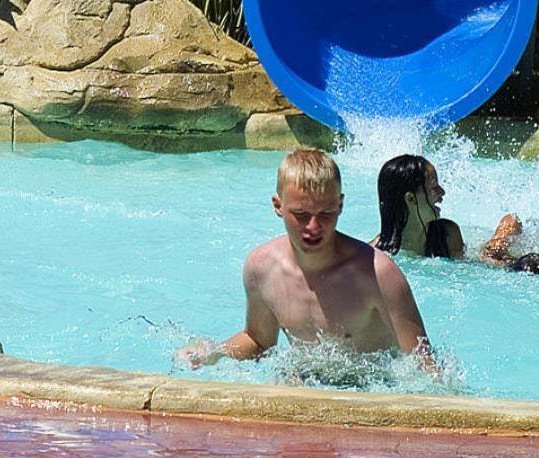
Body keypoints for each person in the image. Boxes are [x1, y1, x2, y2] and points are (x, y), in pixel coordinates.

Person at [177, 149, 436, 373]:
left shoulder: (377, 274)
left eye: (325, 213)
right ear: (278, 206)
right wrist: (215, 352)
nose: (313, 227)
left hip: (372, 387)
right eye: (301, 214)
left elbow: (424, 366)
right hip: (304, 378)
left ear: (340, 205)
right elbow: (258, 342)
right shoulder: (262, 268)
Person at [375, 154, 539, 276]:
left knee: (494, 253)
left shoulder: (446, 233)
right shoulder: (374, 256)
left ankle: (506, 229)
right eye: (434, 187)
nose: (442, 193)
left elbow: (472, 266)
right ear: (410, 199)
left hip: (479, 254)